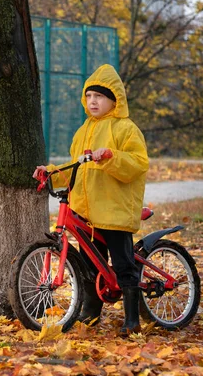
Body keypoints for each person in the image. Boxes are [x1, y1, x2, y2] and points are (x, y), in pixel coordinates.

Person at [33, 64, 149, 336]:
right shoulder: (83, 130)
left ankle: (132, 319)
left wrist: (111, 156)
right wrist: (51, 172)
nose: (93, 101)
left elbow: (138, 163)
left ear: (114, 100)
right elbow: (76, 167)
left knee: (123, 264)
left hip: (114, 211)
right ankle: (91, 310)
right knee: (89, 264)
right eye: (89, 96)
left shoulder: (126, 129)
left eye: (99, 96)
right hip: (88, 212)